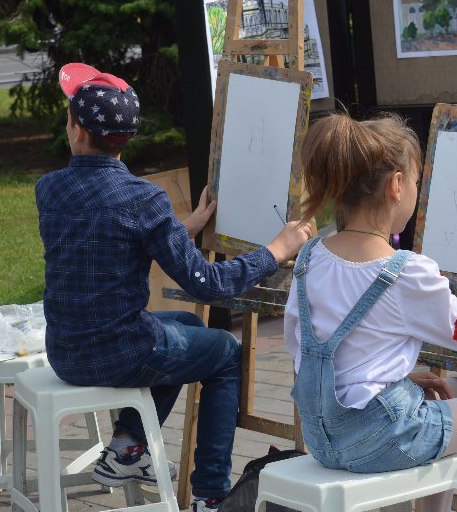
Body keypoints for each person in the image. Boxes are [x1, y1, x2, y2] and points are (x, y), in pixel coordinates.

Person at [37, 63, 314, 511]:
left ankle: (128, 446)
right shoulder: (142, 199)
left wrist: (180, 230)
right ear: (128, 138)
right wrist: (276, 250)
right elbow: (209, 285)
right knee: (225, 352)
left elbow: (106, 242)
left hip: (67, 350)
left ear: (76, 130)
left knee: (187, 324)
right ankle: (210, 494)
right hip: (120, 353)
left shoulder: (49, 189)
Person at [283, 112, 457, 512]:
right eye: (417, 182)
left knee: (455, 390)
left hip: (322, 435)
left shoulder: (310, 256)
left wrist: (389, 377)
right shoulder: (405, 272)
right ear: (397, 185)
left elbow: (302, 346)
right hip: (381, 438)